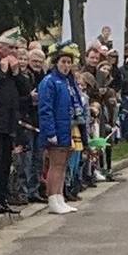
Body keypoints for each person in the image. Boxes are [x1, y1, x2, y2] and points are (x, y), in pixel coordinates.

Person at [0, 43, 30, 216]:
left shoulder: (14, 67)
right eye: (10, 48)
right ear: (0, 48)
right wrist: (2, 72)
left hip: (10, 122)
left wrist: (16, 73)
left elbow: (25, 90)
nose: (13, 52)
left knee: (6, 163)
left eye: (16, 48)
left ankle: (3, 198)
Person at [36, 46, 84, 214]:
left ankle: (59, 196)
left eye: (69, 62)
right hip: (56, 128)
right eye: (63, 62)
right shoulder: (49, 82)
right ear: (56, 63)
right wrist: (50, 132)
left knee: (63, 165)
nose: (66, 66)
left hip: (67, 127)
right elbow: (46, 109)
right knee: (55, 165)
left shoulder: (68, 82)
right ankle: (52, 198)